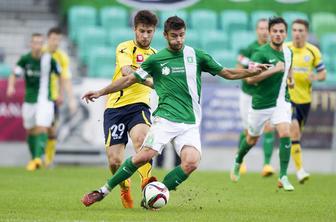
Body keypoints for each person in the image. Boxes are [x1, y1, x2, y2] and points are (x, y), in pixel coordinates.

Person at [80, 16, 266, 208]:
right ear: (165, 35)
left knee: (191, 162)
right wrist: (101, 91)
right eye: (174, 36)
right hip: (165, 121)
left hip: (190, 124)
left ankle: (155, 194)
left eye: (181, 35)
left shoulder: (198, 56)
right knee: (143, 156)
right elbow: (128, 79)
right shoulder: (156, 60)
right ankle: (103, 191)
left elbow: (227, 73)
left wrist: (251, 72)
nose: (178, 40)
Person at [85, 10, 158, 209]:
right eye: (142, 31)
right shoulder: (125, 48)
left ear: (154, 32)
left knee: (142, 141)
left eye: (149, 32)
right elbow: (127, 72)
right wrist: (152, 82)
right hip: (115, 108)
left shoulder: (156, 56)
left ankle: (147, 184)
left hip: (139, 106)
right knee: (115, 160)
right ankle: (124, 186)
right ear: (134, 29)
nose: (145, 36)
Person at [230, 17, 295, 191]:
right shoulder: (259, 53)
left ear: (285, 33)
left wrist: (291, 78)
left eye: (281, 31)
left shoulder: (289, 52)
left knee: (285, 132)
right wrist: (274, 70)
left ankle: (283, 176)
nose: (278, 34)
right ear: (269, 32)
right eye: (275, 31)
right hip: (261, 103)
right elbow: (250, 79)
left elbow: (289, 67)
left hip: (281, 101)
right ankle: (238, 160)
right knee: (252, 138)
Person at [6, 33, 61, 171]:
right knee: (30, 130)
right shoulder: (25, 59)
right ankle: (33, 158)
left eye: (40, 43)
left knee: (42, 126)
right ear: (31, 44)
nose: (38, 45)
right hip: (29, 99)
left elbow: (59, 75)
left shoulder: (49, 59)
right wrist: (11, 86)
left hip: (45, 99)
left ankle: (38, 158)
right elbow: (14, 73)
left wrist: (59, 93)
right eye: (35, 42)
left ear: (43, 45)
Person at [287, 19, 326, 183]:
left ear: (306, 33)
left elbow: (323, 74)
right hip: (286, 98)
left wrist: (315, 76)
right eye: (295, 30)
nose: (297, 33)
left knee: (296, 135)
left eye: (301, 30)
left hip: (305, 100)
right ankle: (300, 170)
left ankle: (286, 162)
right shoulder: (285, 48)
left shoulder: (313, 51)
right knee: (294, 128)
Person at [236, 18, 275, 177]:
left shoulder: (274, 50)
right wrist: (249, 77)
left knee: (269, 127)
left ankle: (266, 165)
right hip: (248, 94)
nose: (264, 31)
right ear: (256, 30)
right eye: (261, 28)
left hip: (266, 96)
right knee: (248, 130)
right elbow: (239, 67)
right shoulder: (248, 49)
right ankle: (241, 161)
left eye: (267, 28)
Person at [43, 27, 77, 168]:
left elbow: (65, 78)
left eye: (58, 39)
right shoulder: (41, 53)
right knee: (38, 128)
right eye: (53, 39)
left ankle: (47, 161)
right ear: (48, 38)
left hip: (53, 98)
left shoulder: (62, 57)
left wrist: (71, 98)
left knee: (51, 129)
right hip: (38, 97)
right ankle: (37, 157)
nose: (55, 42)